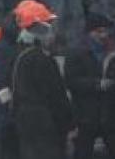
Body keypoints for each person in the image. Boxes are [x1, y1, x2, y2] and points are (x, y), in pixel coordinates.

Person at [0, 0, 54, 159]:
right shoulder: (3, 49)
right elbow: (0, 87)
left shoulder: (16, 43)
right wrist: (11, 108)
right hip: (7, 116)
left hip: (18, 114)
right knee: (3, 143)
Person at [64, 13, 115, 159]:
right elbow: (71, 81)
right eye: (99, 31)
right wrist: (96, 85)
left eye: (105, 30)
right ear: (90, 32)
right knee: (83, 152)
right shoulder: (76, 52)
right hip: (86, 115)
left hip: (112, 114)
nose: (103, 35)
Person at [11, 11, 74, 159]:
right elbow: (55, 93)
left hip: (23, 116)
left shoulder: (19, 58)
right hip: (44, 118)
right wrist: (68, 121)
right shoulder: (44, 60)